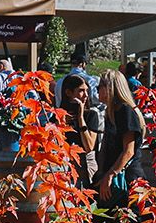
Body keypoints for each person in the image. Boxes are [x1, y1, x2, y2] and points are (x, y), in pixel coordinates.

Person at [92, 70, 143, 212]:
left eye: (99, 87)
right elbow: (105, 146)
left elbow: (129, 151)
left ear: (110, 87)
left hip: (125, 178)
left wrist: (110, 175)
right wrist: (101, 172)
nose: (97, 91)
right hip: (110, 175)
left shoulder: (126, 111)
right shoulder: (111, 111)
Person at [58, 73, 94, 186]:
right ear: (68, 93)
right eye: (81, 91)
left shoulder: (91, 115)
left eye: (87, 90)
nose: (86, 95)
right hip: (63, 166)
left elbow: (89, 146)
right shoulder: (58, 115)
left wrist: (80, 118)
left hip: (85, 166)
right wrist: (61, 123)